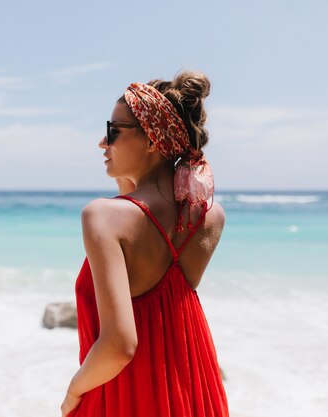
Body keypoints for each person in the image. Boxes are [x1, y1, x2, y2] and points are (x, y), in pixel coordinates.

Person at [61, 71, 229, 417]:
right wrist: (130, 172)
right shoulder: (209, 216)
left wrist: (73, 392)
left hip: (124, 394)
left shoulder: (103, 217)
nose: (102, 142)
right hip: (190, 389)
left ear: (152, 140)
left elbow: (120, 345)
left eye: (113, 131)